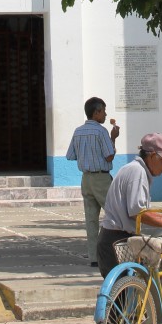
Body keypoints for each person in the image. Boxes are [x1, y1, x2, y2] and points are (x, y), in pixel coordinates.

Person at [97, 132, 162, 278]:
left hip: (116, 238)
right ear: (152, 156)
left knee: (129, 288)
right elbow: (137, 213)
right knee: (123, 290)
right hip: (115, 240)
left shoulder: (137, 170)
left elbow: (142, 210)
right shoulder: (137, 172)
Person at [66, 97, 119, 266]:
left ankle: (94, 258)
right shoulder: (101, 131)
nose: (105, 115)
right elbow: (109, 156)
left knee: (91, 220)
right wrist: (113, 138)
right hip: (101, 178)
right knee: (115, 214)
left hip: (86, 178)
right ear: (96, 113)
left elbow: (70, 155)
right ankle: (115, 252)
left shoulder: (78, 131)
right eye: (103, 111)